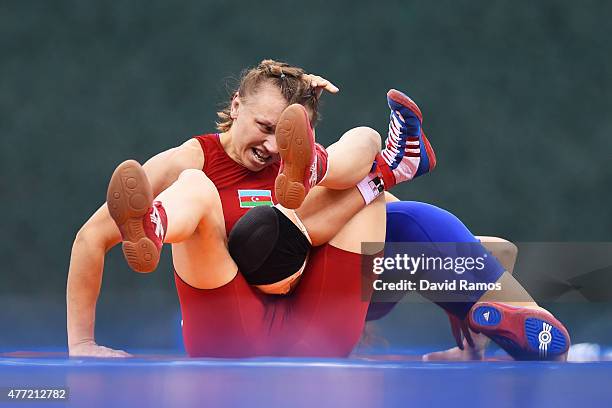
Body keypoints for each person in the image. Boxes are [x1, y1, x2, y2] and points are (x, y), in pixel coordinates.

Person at [67, 59, 434, 357]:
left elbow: (414, 229)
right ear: (236, 106)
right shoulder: (191, 158)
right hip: (229, 330)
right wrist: (81, 344)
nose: (274, 146)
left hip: (318, 330)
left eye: (285, 133)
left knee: (366, 141)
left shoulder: (295, 170)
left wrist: (480, 294)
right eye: (265, 127)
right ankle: (156, 223)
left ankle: (365, 168)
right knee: (196, 185)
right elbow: (90, 238)